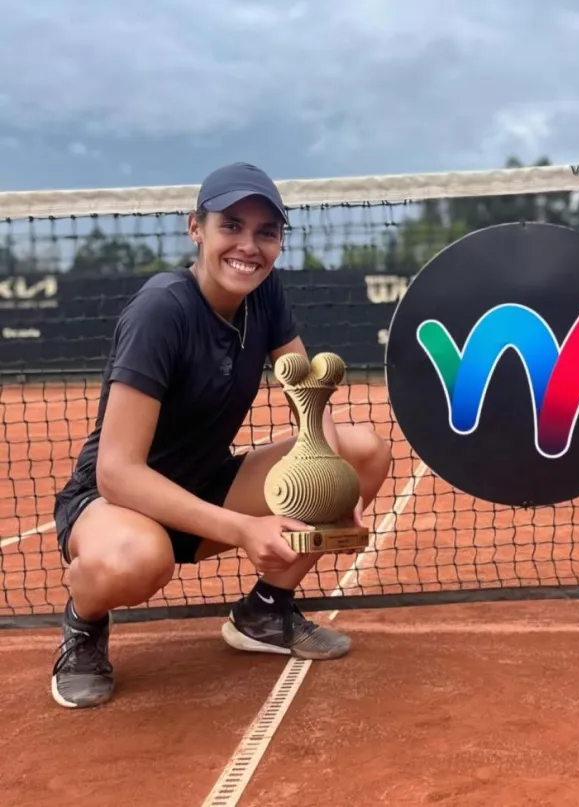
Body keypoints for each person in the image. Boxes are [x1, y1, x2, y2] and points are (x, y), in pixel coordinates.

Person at [50, 162, 393, 709]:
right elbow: (117, 472)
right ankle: (84, 627)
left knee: (359, 454)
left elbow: (307, 393)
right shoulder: (162, 309)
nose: (249, 246)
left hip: (208, 483)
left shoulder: (266, 292)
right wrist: (242, 529)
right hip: (116, 502)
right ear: (196, 229)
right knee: (137, 559)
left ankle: (265, 611)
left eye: (266, 232)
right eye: (231, 226)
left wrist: (334, 489)